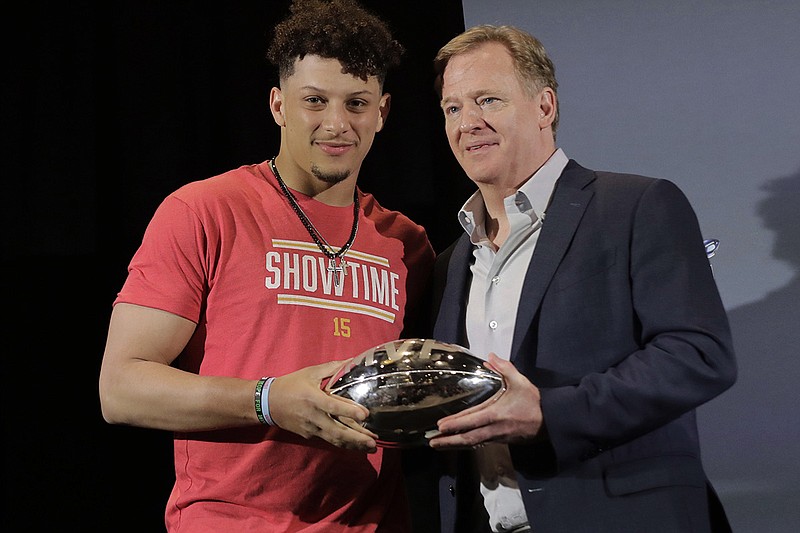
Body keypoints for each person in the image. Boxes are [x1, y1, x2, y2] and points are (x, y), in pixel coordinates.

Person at [98, 1, 434, 531]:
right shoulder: (205, 210)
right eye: (314, 101)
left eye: (357, 103)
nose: (336, 123)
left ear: (382, 113)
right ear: (278, 105)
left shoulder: (405, 244)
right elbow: (121, 389)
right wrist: (268, 400)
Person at [409, 24, 737, 533]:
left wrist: (549, 414)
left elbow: (698, 354)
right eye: (453, 108)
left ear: (545, 107)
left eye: (488, 100)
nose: (467, 122)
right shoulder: (451, 260)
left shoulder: (636, 206)